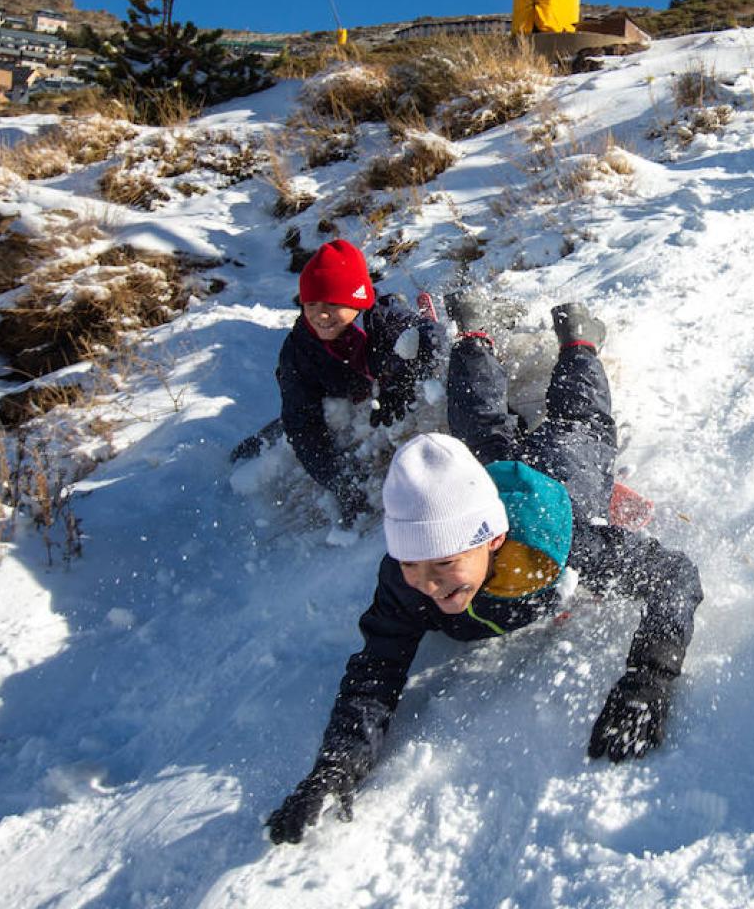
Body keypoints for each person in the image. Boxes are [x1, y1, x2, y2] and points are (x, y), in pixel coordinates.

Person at [264, 297, 704, 846]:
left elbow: (673, 577)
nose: (431, 586)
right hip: (489, 489)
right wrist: (338, 766)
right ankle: (472, 338)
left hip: (554, 496)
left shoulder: (556, 548)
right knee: (478, 426)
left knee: (578, 428)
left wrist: (649, 676)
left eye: (444, 565)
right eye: (413, 566)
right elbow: (374, 674)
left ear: (491, 540)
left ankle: (579, 342)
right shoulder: (409, 582)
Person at [275, 238, 441, 525]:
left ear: (357, 301)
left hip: (382, 389)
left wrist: (397, 383)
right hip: (342, 399)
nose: (320, 313)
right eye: (311, 303)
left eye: (332, 302)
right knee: (277, 435)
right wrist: (338, 481)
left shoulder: (385, 321)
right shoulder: (299, 350)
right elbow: (301, 423)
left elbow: (430, 339)